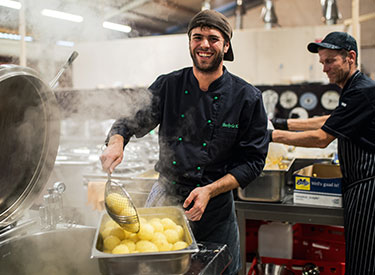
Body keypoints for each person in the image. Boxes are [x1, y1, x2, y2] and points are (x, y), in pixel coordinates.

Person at [100, 9, 269, 275]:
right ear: (189, 42)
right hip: (166, 200)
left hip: (215, 207)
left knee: (218, 270)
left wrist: (210, 190)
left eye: (213, 38)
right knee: (155, 270)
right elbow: (129, 120)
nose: (204, 44)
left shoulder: (246, 97)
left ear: (226, 45)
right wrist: (116, 142)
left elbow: (253, 162)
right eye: (197, 37)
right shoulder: (169, 86)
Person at [269, 31, 375, 275]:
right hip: (359, 184)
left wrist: (270, 136)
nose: (324, 69)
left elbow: (321, 138)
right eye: (322, 62)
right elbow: (330, 120)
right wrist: (281, 123)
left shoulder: (361, 91)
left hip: (368, 187)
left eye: (330, 61)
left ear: (350, 57)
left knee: (363, 263)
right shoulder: (354, 88)